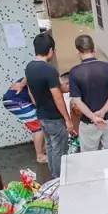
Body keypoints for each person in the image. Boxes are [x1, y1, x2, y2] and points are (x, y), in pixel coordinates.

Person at [24, 33, 74, 178]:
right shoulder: (49, 70)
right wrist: (68, 119)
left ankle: (54, 176)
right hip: (54, 118)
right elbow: (58, 97)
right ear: (51, 50)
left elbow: (31, 91)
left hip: (42, 116)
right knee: (59, 150)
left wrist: (38, 105)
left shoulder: (29, 67)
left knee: (51, 147)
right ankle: (60, 179)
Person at [68, 34, 108, 152]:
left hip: (88, 123)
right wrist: (102, 112)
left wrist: (93, 117)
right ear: (94, 49)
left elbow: (77, 100)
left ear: (78, 51)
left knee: (89, 157)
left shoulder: (75, 73)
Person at [3, 79, 47, 164]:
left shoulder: (30, 74)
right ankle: (40, 156)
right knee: (38, 128)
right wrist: (37, 106)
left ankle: (43, 150)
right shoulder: (36, 76)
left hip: (12, 100)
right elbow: (31, 92)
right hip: (17, 101)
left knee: (37, 127)